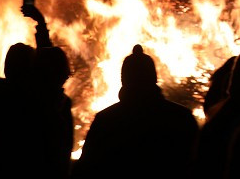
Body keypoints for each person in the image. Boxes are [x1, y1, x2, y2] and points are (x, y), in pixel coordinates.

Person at [75, 45, 199, 178]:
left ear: (124, 79)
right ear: (154, 78)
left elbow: (86, 169)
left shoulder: (106, 119)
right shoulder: (181, 117)